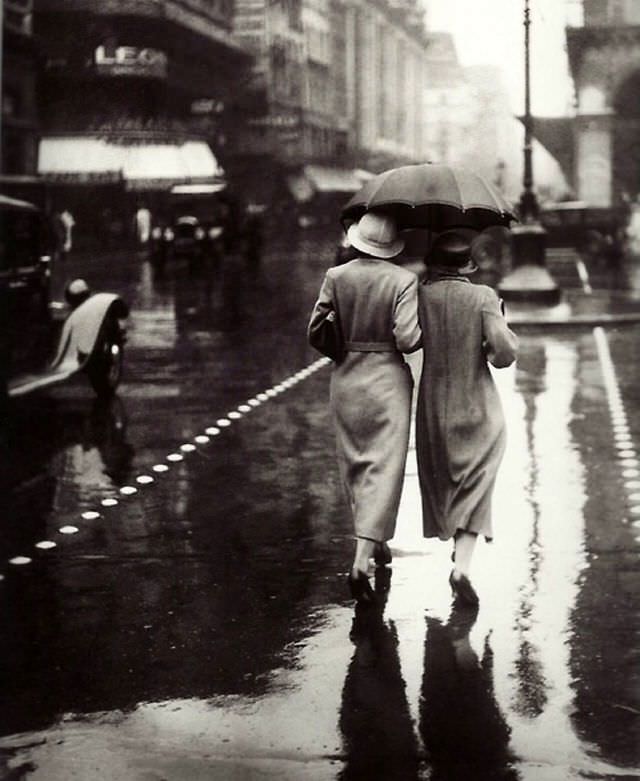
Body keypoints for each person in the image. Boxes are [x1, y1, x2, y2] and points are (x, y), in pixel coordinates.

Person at [307, 211, 421, 603]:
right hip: (387, 380)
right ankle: (360, 560)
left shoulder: (336, 277)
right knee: (384, 467)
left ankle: (377, 544)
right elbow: (407, 339)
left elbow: (315, 331)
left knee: (355, 463)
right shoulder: (404, 281)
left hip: (347, 379)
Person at [416, 228, 518, 606]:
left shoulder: (420, 295)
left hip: (431, 402)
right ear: (469, 265)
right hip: (475, 399)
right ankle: (463, 567)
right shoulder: (483, 297)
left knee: (446, 476)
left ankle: (457, 551)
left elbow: (408, 338)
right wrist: (500, 326)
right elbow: (503, 353)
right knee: (477, 478)